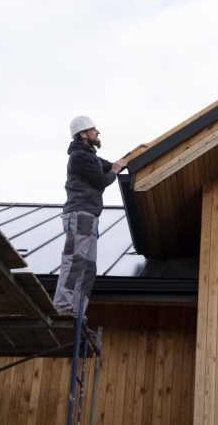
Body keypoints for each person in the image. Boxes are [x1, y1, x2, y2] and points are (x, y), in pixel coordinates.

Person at [53, 115, 127, 318]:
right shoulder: (79, 157)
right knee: (75, 260)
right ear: (83, 134)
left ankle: (77, 311)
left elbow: (109, 165)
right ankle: (62, 307)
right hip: (80, 214)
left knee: (88, 268)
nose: (98, 132)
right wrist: (115, 170)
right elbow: (102, 179)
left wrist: (122, 162)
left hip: (90, 216)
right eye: (93, 129)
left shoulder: (90, 156)